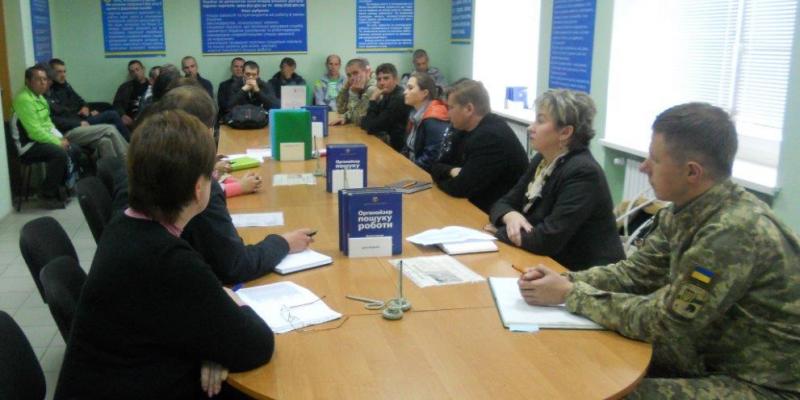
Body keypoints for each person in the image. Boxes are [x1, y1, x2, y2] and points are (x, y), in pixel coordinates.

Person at [517, 102, 800, 398]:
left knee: (608, 391)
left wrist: (571, 295)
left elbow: (667, 324)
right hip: (707, 355)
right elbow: (635, 274)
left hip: (762, 384)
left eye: (654, 159)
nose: (644, 166)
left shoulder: (732, 233)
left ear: (692, 172)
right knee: (580, 360)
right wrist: (567, 280)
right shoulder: (683, 211)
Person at [55, 110, 274, 399]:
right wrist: (230, 298)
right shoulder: (168, 259)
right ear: (199, 189)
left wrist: (215, 346)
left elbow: (189, 321)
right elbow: (256, 345)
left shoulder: (125, 225)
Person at [111, 84, 312, 284]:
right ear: (208, 132)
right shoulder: (194, 183)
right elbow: (235, 266)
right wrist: (283, 243)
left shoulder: (137, 166)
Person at [489, 89, 623, 270]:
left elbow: (547, 239)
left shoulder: (583, 172)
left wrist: (501, 231)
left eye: (540, 121)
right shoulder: (542, 159)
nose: (530, 127)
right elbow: (502, 203)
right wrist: (510, 215)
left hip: (586, 274)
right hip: (548, 261)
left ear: (565, 132)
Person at [430, 79, 528, 214]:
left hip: (498, 214)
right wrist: (451, 171)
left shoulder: (490, 137)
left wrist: (442, 175)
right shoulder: (463, 129)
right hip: (477, 205)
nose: (447, 113)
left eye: (451, 108)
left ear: (469, 109)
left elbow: (460, 188)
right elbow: (436, 165)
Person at [11, 65, 78, 208]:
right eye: (38, 79)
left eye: (45, 79)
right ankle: (47, 194)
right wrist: (57, 143)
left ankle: (62, 188)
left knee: (73, 148)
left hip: (40, 141)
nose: (43, 83)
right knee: (59, 153)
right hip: (27, 145)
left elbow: (48, 125)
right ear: (28, 81)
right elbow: (34, 132)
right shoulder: (24, 99)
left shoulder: (40, 98)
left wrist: (61, 138)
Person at [46, 58, 131, 141]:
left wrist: (85, 107)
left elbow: (80, 100)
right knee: (111, 117)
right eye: (59, 72)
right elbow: (58, 118)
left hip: (81, 119)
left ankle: (129, 144)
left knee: (111, 121)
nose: (63, 75)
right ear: (51, 73)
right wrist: (78, 122)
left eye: (64, 71)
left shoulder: (66, 86)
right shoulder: (49, 92)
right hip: (74, 125)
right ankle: (131, 142)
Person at [402, 72, 449, 172]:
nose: (404, 92)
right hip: (412, 165)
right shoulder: (414, 112)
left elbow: (431, 157)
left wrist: (408, 169)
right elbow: (407, 146)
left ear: (424, 93)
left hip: (423, 172)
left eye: (410, 88)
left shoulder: (434, 117)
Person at [360, 63, 412, 152]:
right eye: (379, 79)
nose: (382, 83)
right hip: (386, 144)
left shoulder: (399, 98)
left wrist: (373, 99)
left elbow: (372, 127)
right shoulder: (387, 94)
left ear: (396, 80)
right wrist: (369, 122)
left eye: (386, 78)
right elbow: (365, 122)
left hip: (397, 150)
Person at [333, 58, 377, 126]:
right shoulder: (358, 87)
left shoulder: (372, 89)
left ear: (367, 72)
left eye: (355, 73)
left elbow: (359, 121)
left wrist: (353, 94)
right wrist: (345, 87)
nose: (352, 78)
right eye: (349, 75)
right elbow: (340, 110)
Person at [112, 60, 149, 127]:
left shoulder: (152, 86)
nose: (136, 73)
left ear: (143, 69)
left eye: (137, 69)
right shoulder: (125, 87)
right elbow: (116, 104)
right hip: (129, 121)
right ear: (130, 73)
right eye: (132, 71)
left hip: (147, 120)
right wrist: (122, 115)